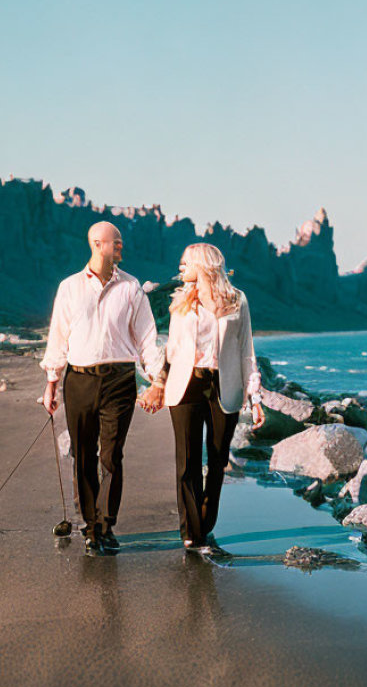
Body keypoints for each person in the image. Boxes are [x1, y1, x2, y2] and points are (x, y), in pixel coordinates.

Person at [41, 221, 162, 553]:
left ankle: (104, 526)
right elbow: (58, 336)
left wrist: (157, 379)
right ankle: (89, 524)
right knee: (82, 455)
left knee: (111, 455)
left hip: (120, 380)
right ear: (97, 243)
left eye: (121, 242)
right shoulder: (69, 287)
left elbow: (148, 339)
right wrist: (51, 381)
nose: (121, 246)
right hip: (78, 380)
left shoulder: (132, 287)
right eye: (116, 242)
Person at [138, 243, 265, 553]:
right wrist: (158, 384)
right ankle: (193, 535)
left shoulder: (237, 300)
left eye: (186, 263)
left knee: (218, 460)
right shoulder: (181, 301)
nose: (181, 268)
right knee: (188, 461)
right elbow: (171, 350)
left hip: (225, 385)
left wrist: (255, 396)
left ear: (204, 264)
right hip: (186, 385)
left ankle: (205, 524)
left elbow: (246, 351)